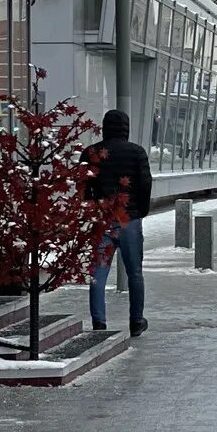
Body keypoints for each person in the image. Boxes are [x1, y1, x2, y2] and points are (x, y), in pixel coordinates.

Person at [85, 108, 153, 336]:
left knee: (98, 273)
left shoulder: (91, 153)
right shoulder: (137, 153)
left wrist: (93, 207)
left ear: (105, 128)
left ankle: (99, 322)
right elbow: (145, 184)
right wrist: (140, 211)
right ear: (126, 128)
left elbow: (83, 185)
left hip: (102, 218)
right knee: (135, 272)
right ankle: (136, 321)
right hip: (129, 220)